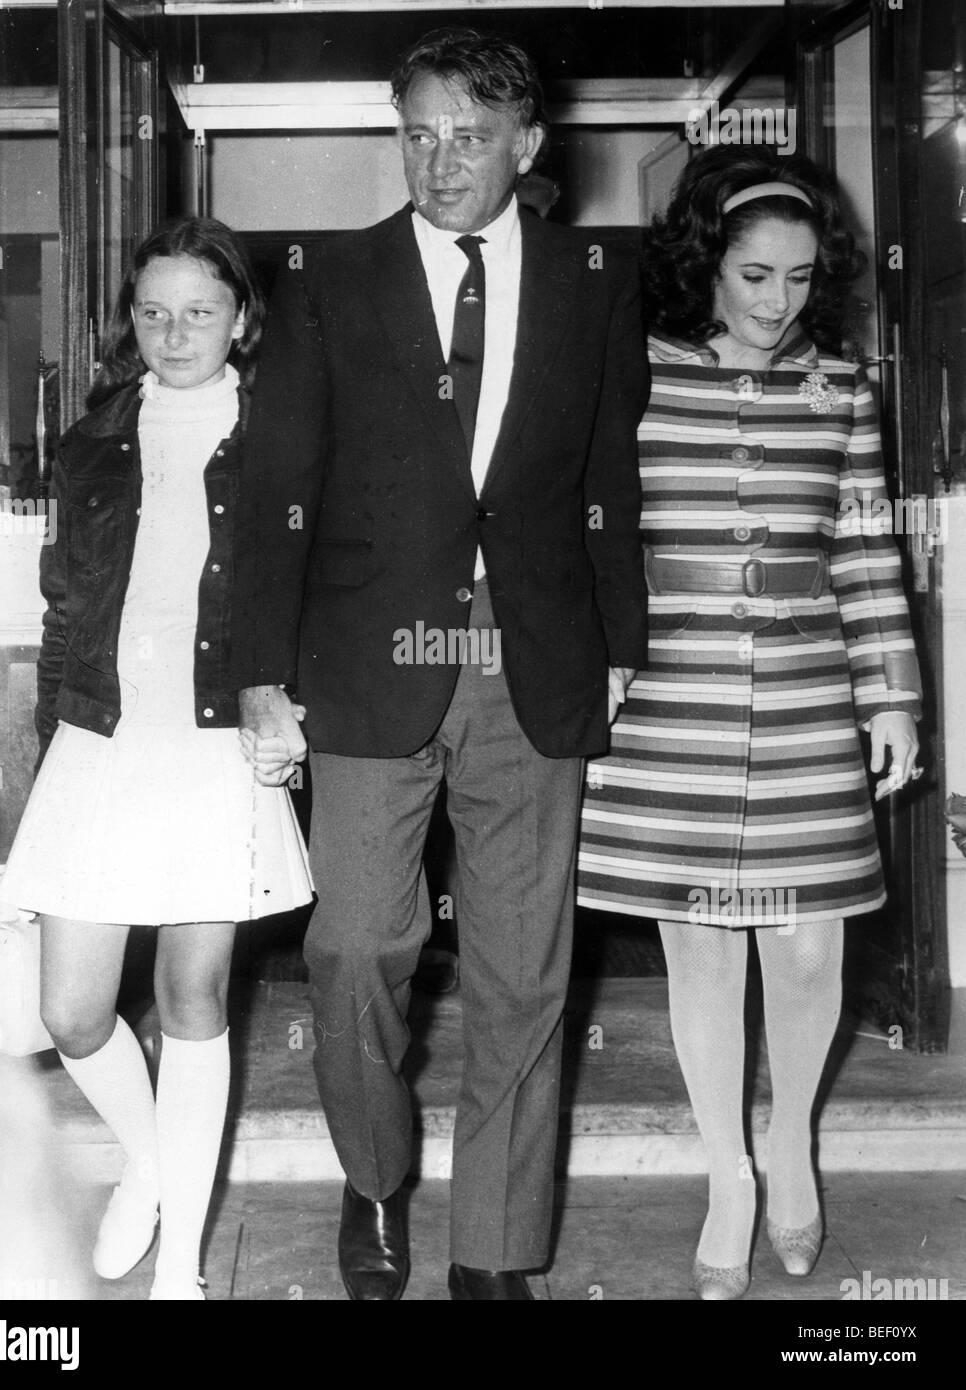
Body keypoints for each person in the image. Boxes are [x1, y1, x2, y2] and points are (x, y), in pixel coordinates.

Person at [232, 27, 648, 1300]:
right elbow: (274, 481)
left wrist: (620, 641)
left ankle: (497, 1250)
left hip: (534, 656)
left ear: (527, 145)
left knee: (527, 965)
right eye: (416, 133)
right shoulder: (328, 282)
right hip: (367, 656)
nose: (439, 161)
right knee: (356, 944)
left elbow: (603, 478)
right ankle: (374, 1176)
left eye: (468, 136)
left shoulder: (590, 278)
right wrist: (261, 670)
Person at [578, 146, 922, 1299]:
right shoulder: (637, 375)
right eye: (755, 277)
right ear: (706, 267)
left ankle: (791, 1146)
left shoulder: (843, 392)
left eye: (798, 280)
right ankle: (729, 1169)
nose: (778, 303)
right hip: (672, 693)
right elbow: (593, 533)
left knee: (813, 941)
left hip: (809, 690)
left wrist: (894, 697)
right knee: (702, 947)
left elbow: (870, 551)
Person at [0, 217, 314, 1301]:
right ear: (128, 319)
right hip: (103, 737)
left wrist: (293, 707)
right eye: (153, 311)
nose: (176, 333)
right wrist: (44, 761)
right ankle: (152, 1163)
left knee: (192, 996)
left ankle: (180, 1268)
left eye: (201, 312)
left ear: (242, 317)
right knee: (74, 1013)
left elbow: (325, 588)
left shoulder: (285, 429)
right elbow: (62, 606)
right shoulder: (94, 433)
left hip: (219, 741)